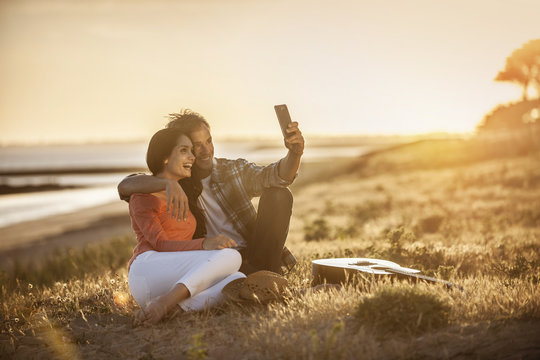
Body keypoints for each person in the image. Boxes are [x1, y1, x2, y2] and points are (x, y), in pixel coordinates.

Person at [118, 109, 305, 274]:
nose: (206, 150)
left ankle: (265, 274)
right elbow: (125, 186)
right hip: (209, 260)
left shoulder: (233, 170)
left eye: (209, 141)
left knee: (280, 195)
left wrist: (294, 154)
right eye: (196, 145)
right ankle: (256, 279)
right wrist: (166, 184)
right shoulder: (176, 179)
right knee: (226, 268)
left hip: (254, 253)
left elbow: (277, 176)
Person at [128, 127, 245, 325]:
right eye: (184, 151)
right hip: (146, 270)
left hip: (173, 273)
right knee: (232, 256)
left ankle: (177, 309)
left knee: (237, 278)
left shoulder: (184, 193)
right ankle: (166, 302)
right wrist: (205, 244)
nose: (192, 156)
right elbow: (161, 244)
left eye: (192, 150)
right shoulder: (143, 196)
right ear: (165, 157)